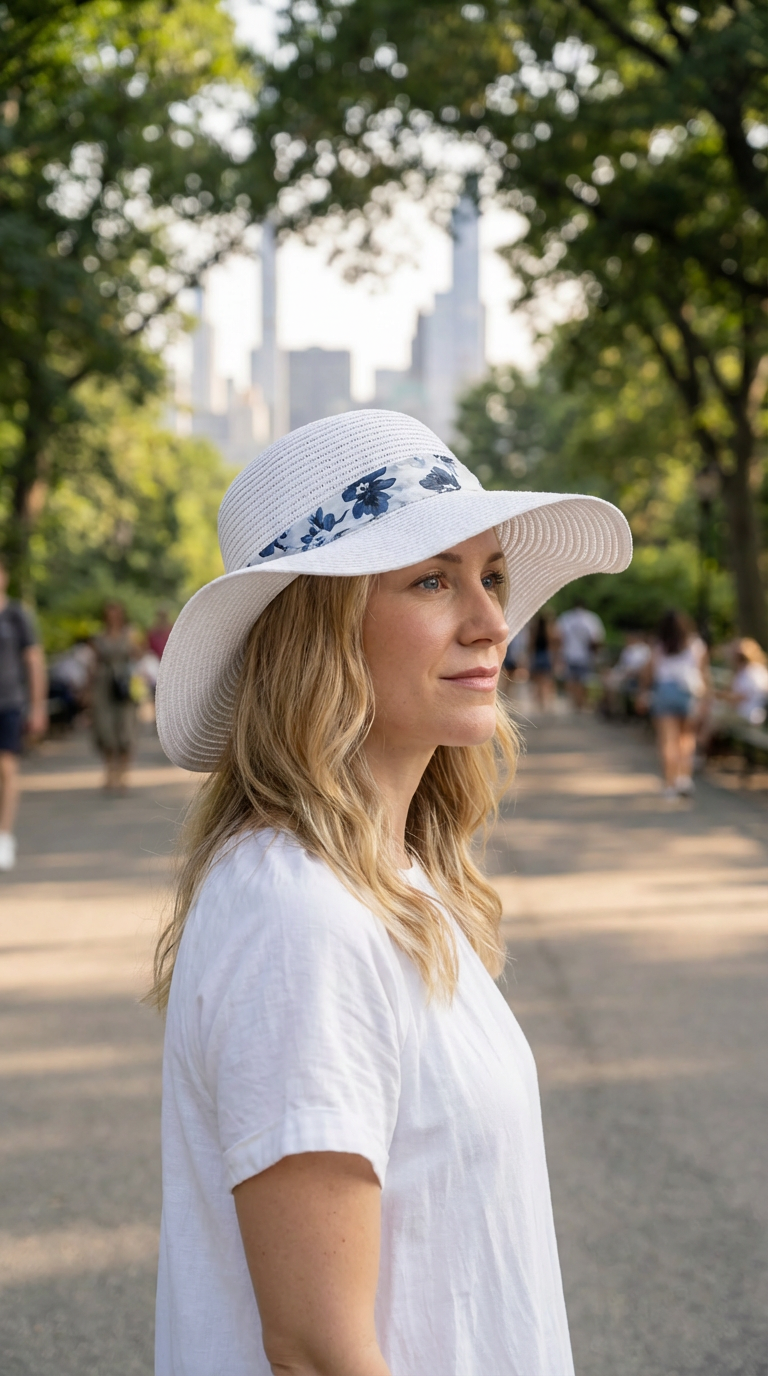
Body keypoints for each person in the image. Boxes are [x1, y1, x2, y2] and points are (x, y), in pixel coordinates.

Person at [151, 409, 631, 1376]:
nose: (492, 618)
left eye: (490, 575)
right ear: (316, 629)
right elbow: (319, 1352)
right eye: (430, 579)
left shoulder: (385, 880)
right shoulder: (297, 912)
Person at [0, 557, 47, 870]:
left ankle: (4, 836)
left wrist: (38, 705)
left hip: (9, 703)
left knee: (6, 769)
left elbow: (33, 662)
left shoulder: (16, 616)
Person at [646, 609, 708, 799]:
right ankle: (684, 778)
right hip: (687, 693)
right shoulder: (696, 645)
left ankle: (670, 785)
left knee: (667, 741)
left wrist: (645, 692)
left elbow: (650, 672)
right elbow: (703, 674)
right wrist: (706, 699)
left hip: (664, 691)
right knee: (686, 739)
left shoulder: (659, 646)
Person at [89, 601, 138, 792]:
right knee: (105, 729)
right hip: (103, 686)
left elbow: (139, 656)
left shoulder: (130, 635)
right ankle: (110, 770)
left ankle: (123, 772)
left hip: (124, 686)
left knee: (125, 728)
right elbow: (92, 664)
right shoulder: (98, 637)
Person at [556, 599, 605, 710]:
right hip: (585, 655)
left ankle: (574, 702)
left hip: (569, 653)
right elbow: (597, 638)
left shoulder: (566, 617)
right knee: (584, 680)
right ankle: (581, 702)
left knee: (571, 679)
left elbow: (558, 637)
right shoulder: (591, 618)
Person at [727, 637, 768, 726]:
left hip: (751, 714)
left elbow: (741, 697)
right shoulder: (742, 672)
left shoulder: (754, 671)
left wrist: (725, 698)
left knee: (715, 719)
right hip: (743, 712)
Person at [528, 608, 559, 711]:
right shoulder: (549, 630)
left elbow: (531, 645)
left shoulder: (535, 630)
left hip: (537, 656)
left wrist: (529, 657)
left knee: (538, 681)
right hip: (546, 656)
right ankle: (546, 701)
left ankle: (539, 701)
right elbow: (552, 645)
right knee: (547, 680)